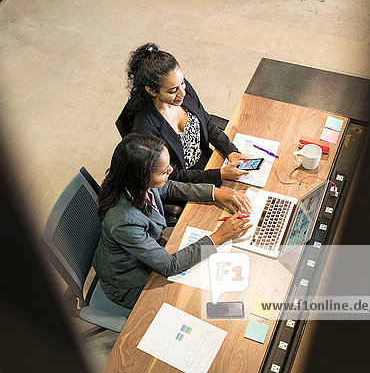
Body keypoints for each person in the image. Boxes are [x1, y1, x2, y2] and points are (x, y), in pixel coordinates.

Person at [92, 133, 252, 309]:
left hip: (146, 254)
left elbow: (169, 187)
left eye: (168, 165)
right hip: (127, 281)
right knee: (195, 301)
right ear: (142, 177)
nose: (170, 171)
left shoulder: (131, 183)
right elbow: (170, 265)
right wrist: (219, 236)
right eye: (163, 171)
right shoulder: (124, 221)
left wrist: (215, 193)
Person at [117, 42, 249, 188]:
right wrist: (219, 175)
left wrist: (230, 150)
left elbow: (206, 122)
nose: (182, 93)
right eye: (172, 91)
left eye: (183, 82)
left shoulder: (181, 90)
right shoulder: (145, 128)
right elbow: (169, 174)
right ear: (152, 91)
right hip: (186, 182)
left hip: (208, 162)